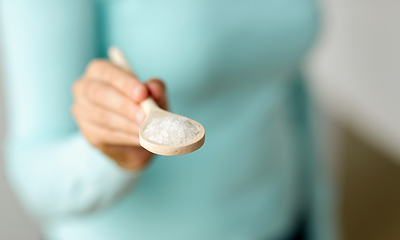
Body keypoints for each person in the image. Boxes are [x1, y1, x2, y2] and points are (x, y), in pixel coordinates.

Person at [0, 0, 338, 239]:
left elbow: (282, 80)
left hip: (280, 221)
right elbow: (35, 165)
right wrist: (109, 155)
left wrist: (318, 222)